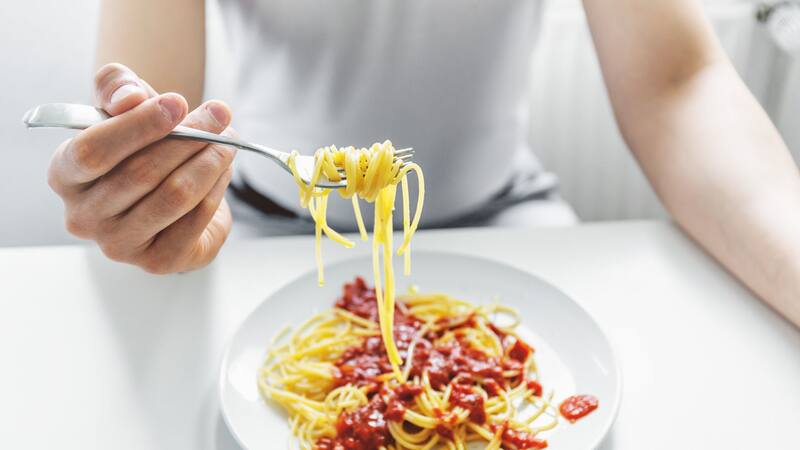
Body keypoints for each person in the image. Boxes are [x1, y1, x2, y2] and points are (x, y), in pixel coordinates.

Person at [46, 0, 800, 327]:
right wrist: (145, 193)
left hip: (512, 215)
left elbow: (679, 86)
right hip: (251, 229)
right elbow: (156, 118)